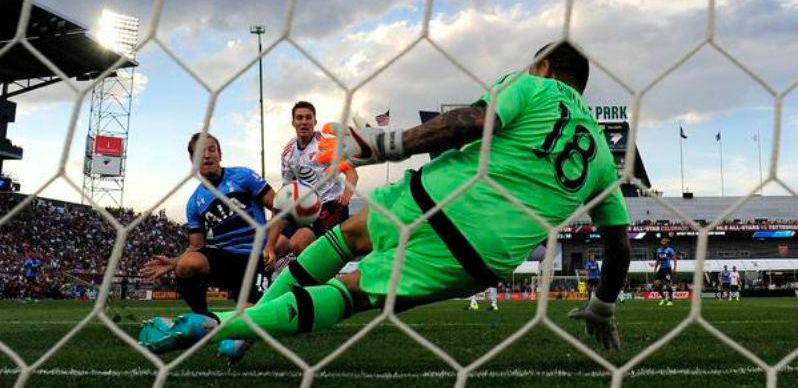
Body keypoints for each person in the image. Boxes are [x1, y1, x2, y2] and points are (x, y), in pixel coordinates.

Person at [139, 42, 631, 353]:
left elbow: (471, 123)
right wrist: (603, 306)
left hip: (435, 193)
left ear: (543, 66)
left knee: (347, 238)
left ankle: (235, 324)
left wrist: (381, 145)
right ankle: (223, 327)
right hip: (483, 249)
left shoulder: (533, 87)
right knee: (351, 292)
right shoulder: (606, 161)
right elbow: (619, 246)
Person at [139, 132, 280, 359]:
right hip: (226, 258)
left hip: (256, 259)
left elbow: (279, 206)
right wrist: (175, 262)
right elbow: (196, 247)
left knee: (234, 345)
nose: (207, 155)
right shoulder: (195, 202)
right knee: (187, 265)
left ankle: (243, 322)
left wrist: (271, 247)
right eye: (200, 152)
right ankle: (202, 319)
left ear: (220, 154)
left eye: (211, 149)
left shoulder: (243, 176)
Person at [264, 101, 359, 269]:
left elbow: (352, 173)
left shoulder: (326, 144)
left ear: (315, 122)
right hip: (304, 208)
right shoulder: (289, 151)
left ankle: (322, 282)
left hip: (331, 205)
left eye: (308, 118)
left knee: (298, 243)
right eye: (299, 118)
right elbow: (286, 190)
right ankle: (273, 282)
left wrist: (347, 195)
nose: (304, 121)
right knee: (272, 252)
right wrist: (274, 224)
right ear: (293, 122)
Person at [652, 238, 676, 306]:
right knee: (656, 283)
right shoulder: (659, 250)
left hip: (668, 269)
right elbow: (657, 260)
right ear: (662, 243)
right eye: (663, 243)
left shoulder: (670, 250)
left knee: (668, 284)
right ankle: (663, 298)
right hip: (661, 269)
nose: (665, 244)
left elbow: (674, 259)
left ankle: (670, 300)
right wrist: (655, 269)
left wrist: (674, 268)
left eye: (665, 243)